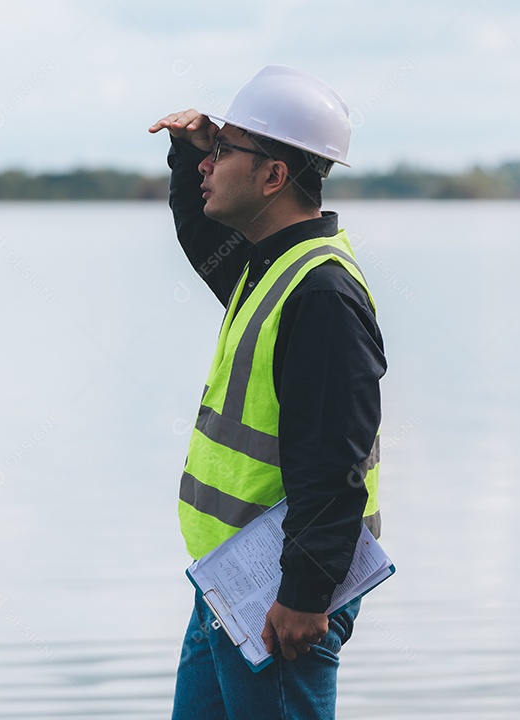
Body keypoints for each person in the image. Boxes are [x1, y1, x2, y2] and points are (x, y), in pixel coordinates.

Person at [148, 66, 386, 720]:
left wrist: (305, 594)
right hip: (229, 584)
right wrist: (188, 154)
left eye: (225, 151)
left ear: (274, 176)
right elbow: (204, 236)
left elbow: (335, 461)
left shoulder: (321, 295)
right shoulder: (268, 264)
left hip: (280, 596)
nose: (210, 164)